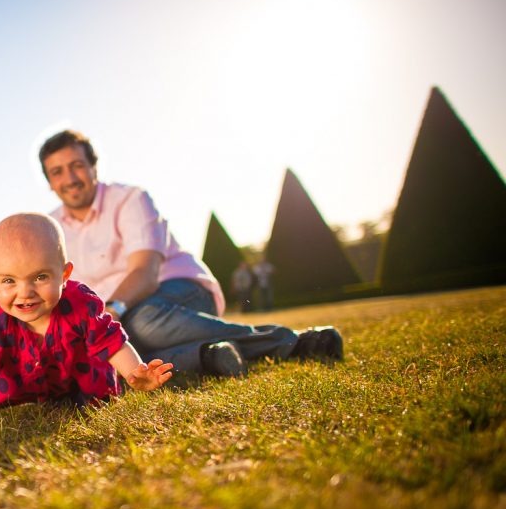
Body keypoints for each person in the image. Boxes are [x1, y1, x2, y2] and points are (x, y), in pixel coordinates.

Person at [38, 129, 343, 377]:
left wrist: (106, 315)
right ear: (50, 183)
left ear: (93, 167)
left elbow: (144, 273)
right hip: (119, 315)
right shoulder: (50, 228)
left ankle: (289, 341)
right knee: (115, 346)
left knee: (138, 325)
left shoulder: (130, 199)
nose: (70, 178)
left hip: (177, 292)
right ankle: (208, 356)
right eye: (57, 172)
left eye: (77, 165)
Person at [0, 213, 173, 434]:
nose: (25, 292)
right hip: (18, 392)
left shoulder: (80, 303)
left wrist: (134, 372)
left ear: (64, 274)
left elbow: (111, 340)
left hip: (76, 382)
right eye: (9, 280)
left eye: (40, 277)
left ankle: (93, 399)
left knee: (96, 389)